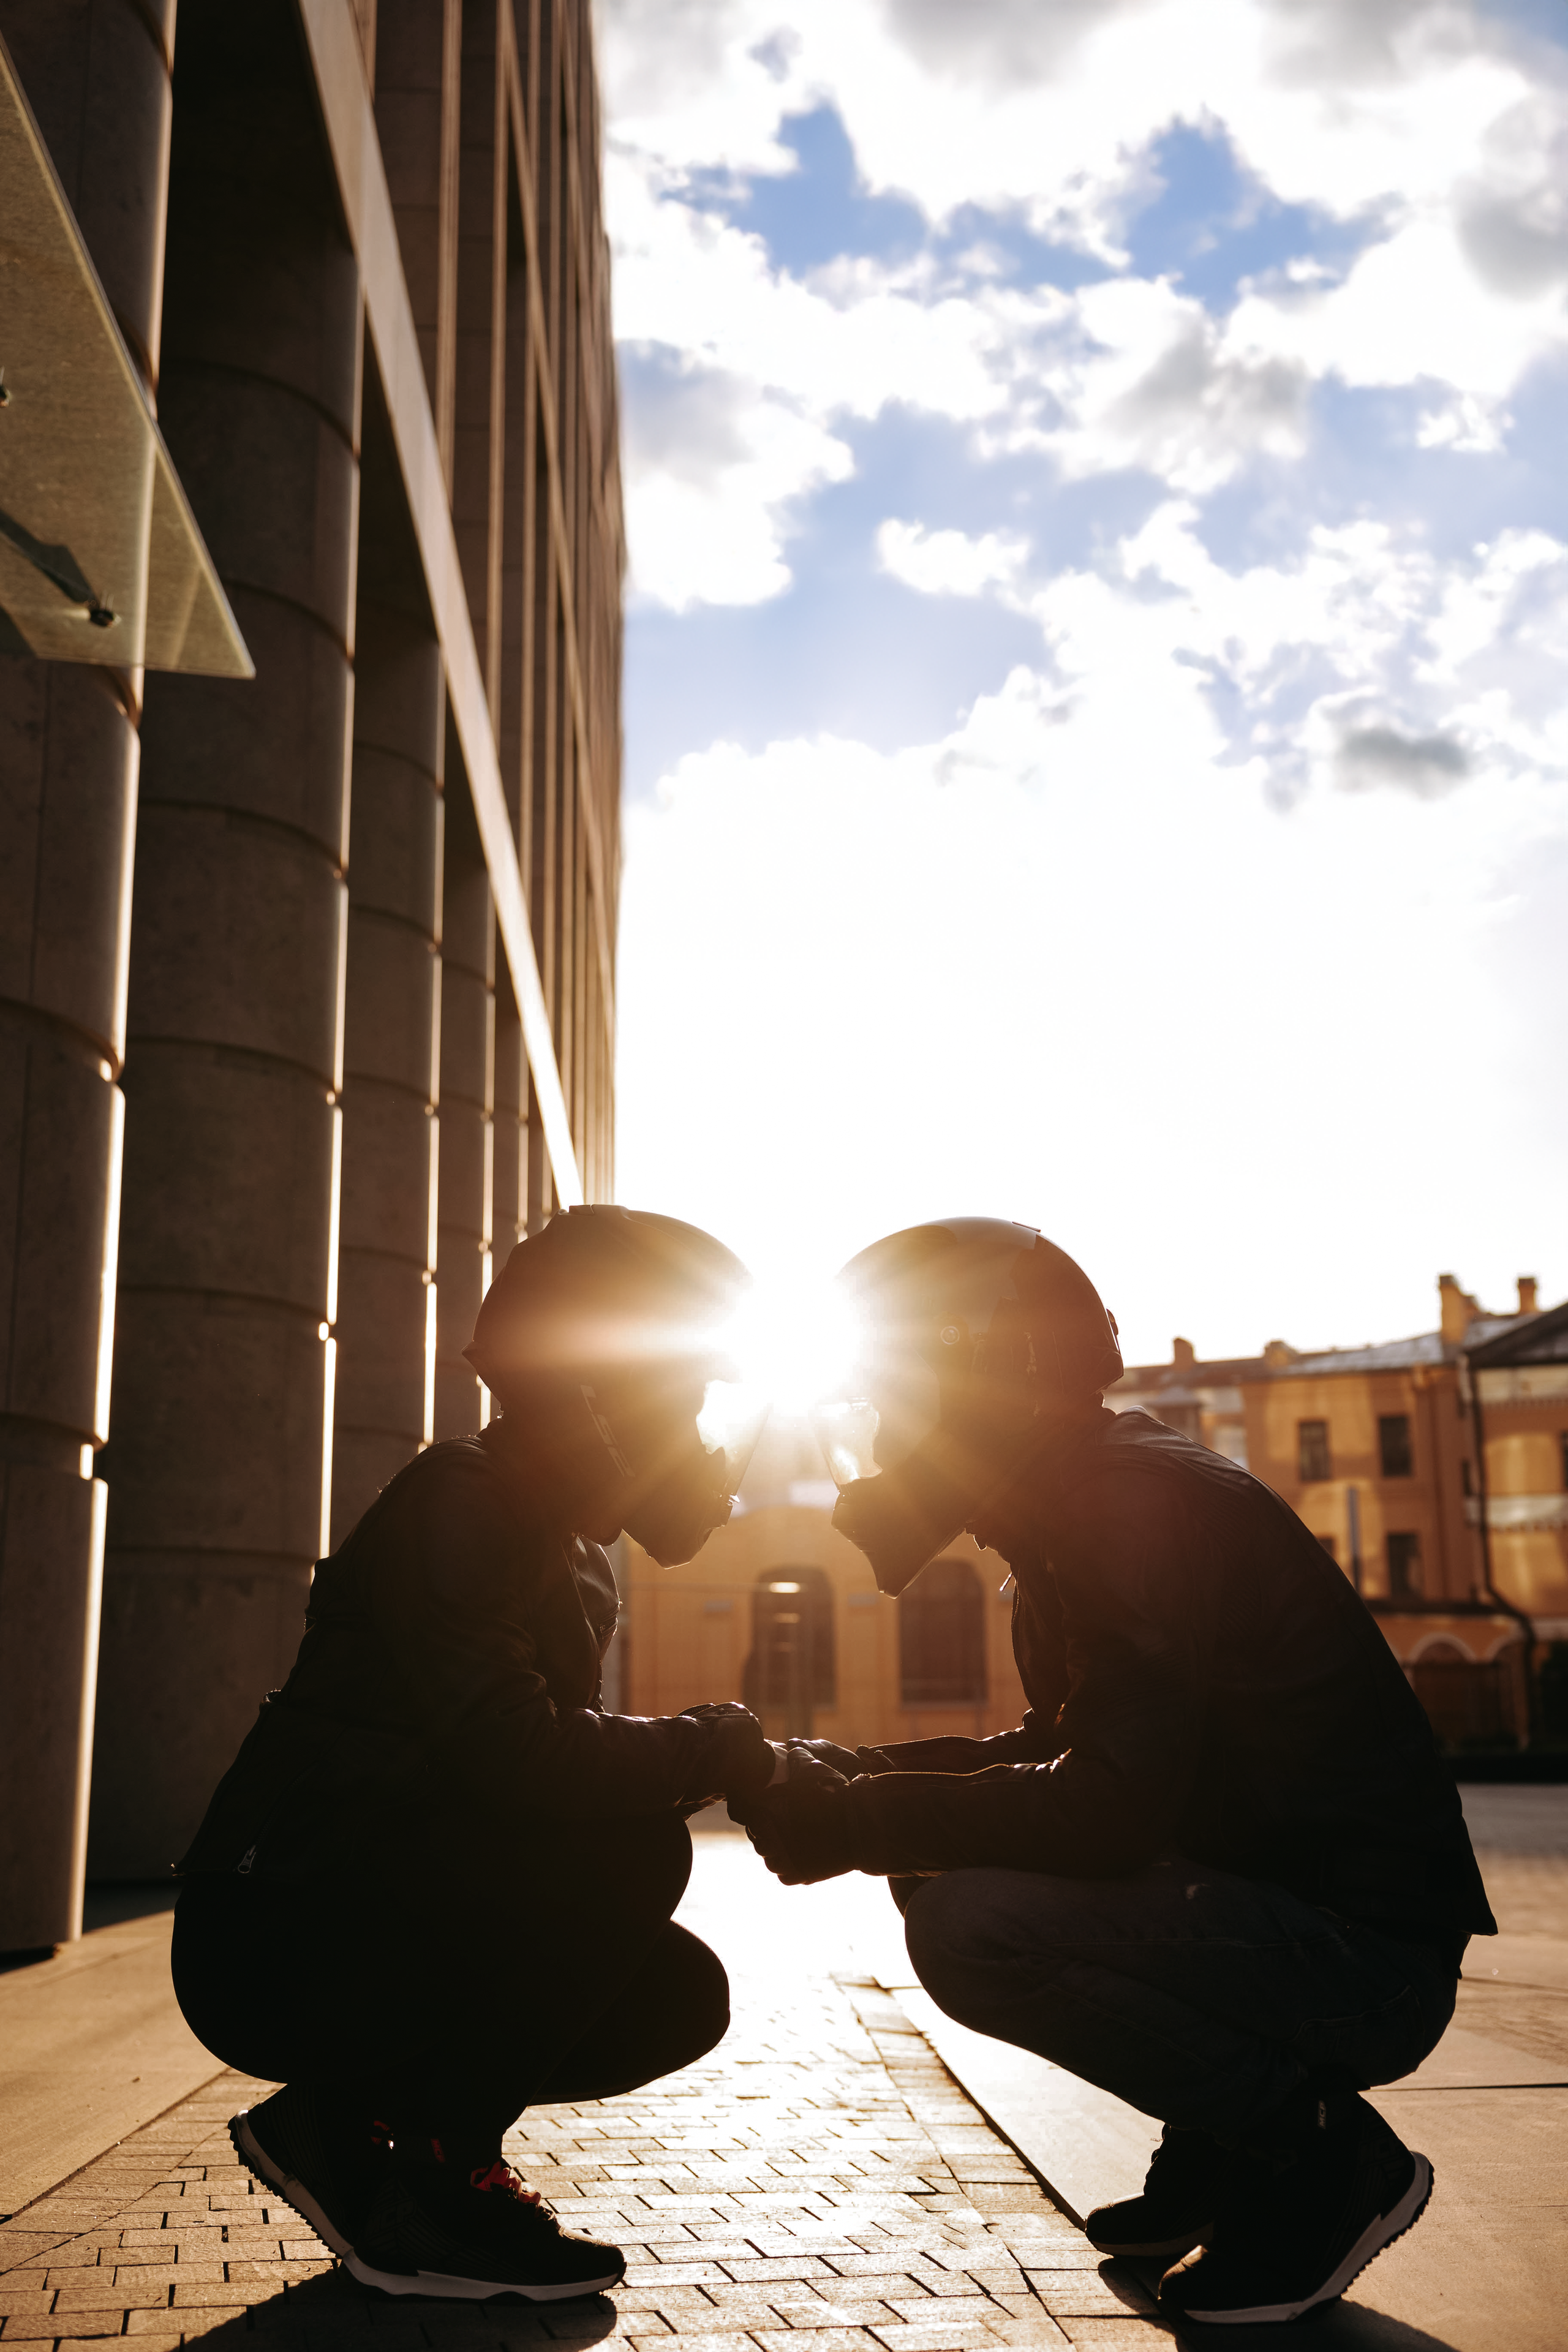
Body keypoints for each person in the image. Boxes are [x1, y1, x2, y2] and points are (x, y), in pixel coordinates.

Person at [737, 1219, 1494, 2328]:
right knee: (937, 1864)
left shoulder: (1116, 1510)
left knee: (971, 1922)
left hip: (1359, 1965)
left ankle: (1315, 2155)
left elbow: (1108, 1811)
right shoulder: (1078, 1504)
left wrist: (858, 1819)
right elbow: (1076, 1752)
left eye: (893, 1405)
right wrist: (855, 1774)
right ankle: (1227, 2143)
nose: (879, 1442)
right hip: (1311, 1925)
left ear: (985, 1386)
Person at [171, 1206, 794, 2304]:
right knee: (632, 1849)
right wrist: (714, 1748)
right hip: (279, 1928)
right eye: (683, 1397)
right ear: (597, 1391)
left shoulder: (565, 1547)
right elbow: (525, 1761)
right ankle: (443, 2179)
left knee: (675, 1993)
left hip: (378, 1895)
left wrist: (729, 1756)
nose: (695, 1436)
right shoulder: (462, 1501)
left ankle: (345, 2127)